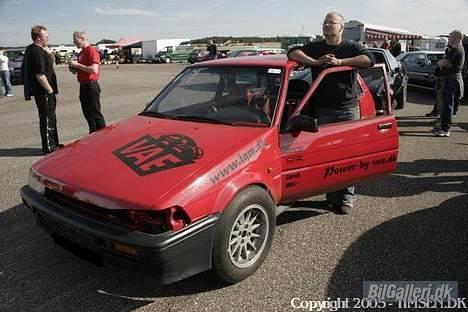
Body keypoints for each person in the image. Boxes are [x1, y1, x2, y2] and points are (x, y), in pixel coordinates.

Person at [287, 12, 375, 214]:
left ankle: (346, 197)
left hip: (347, 109)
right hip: (322, 109)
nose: (327, 25)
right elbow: (292, 52)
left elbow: (369, 59)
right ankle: (331, 195)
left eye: (331, 22)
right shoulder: (317, 47)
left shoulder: (351, 47)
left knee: (348, 155)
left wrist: (340, 63)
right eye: (325, 22)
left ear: (341, 27)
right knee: (328, 155)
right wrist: (315, 62)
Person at [21, 25, 61, 154]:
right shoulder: (36, 52)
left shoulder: (40, 49)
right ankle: (49, 147)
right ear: (38, 38)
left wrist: (48, 51)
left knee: (51, 117)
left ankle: (54, 143)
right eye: (46, 36)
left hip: (45, 91)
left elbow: (52, 62)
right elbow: (40, 74)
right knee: (47, 118)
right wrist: (49, 90)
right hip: (43, 91)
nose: (48, 38)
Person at [69, 31, 106, 133]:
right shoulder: (81, 52)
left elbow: (94, 69)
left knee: (95, 113)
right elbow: (79, 70)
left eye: (75, 39)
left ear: (82, 38)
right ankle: (93, 134)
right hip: (83, 85)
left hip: (91, 85)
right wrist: (73, 67)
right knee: (87, 113)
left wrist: (77, 65)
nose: (73, 42)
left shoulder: (91, 50)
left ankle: (104, 135)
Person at [432, 30, 465, 137]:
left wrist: (443, 63)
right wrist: (444, 64)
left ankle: (445, 129)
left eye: (450, 37)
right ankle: (443, 124)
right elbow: (445, 64)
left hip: (452, 80)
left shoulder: (456, 49)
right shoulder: (453, 49)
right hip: (450, 79)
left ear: (456, 38)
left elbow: (443, 63)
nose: (449, 39)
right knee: (445, 103)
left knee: (447, 105)